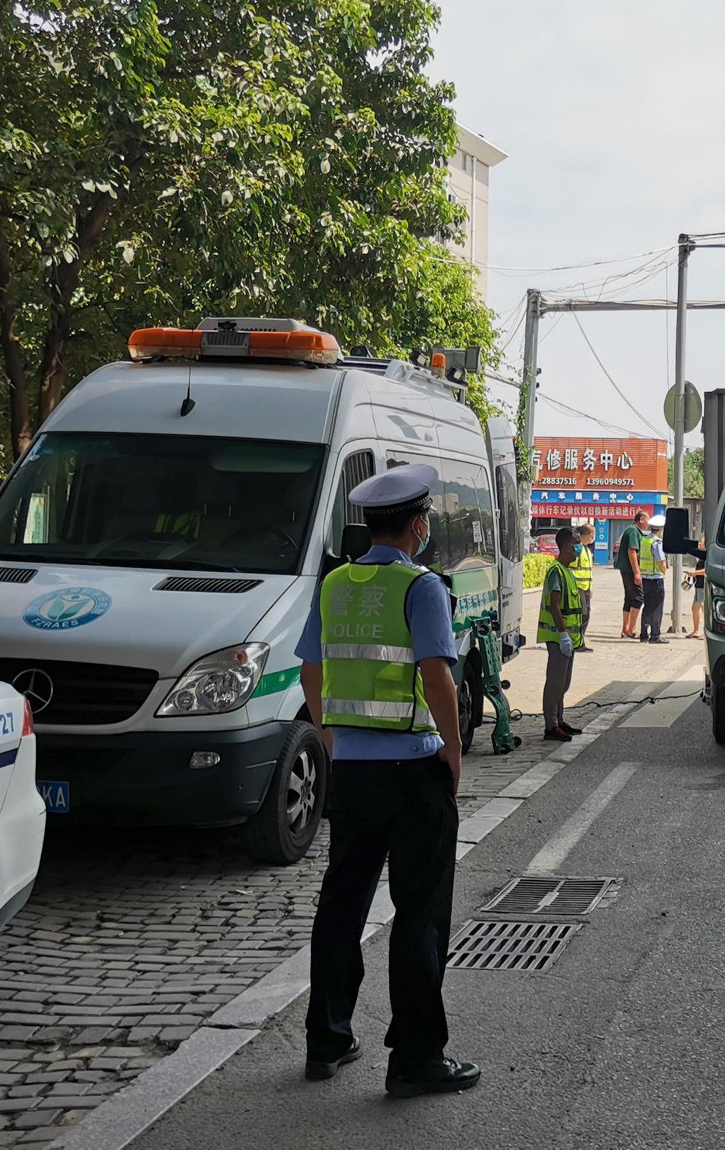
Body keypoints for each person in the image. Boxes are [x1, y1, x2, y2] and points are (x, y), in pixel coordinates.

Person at [297, 464, 480, 1098]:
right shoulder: (420, 586)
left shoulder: (335, 585)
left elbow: (310, 672)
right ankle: (415, 1057)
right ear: (418, 524)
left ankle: (328, 1038)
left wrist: (329, 736)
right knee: (419, 912)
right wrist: (454, 756)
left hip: (351, 771)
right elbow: (438, 679)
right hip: (412, 772)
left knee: (341, 903)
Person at [541, 527, 585, 741]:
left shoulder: (567, 571)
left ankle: (559, 720)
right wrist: (563, 634)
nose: (579, 547)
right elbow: (554, 605)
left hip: (569, 639)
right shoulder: (556, 571)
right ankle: (551, 726)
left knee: (563, 683)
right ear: (565, 546)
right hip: (559, 638)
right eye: (576, 543)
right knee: (555, 683)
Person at [614, 510, 646, 638]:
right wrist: (637, 572)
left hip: (626, 570)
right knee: (639, 597)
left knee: (629, 598)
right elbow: (632, 551)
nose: (648, 524)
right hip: (630, 570)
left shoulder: (632, 530)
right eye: (647, 520)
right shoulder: (633, 531)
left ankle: (625, 629)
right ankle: (632, 630)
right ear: (641, 520)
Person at [637, 521, 667, 642]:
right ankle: (655, 635)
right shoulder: (657, 542)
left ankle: (643, 634)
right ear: (660, 530)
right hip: (656, 579)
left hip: (645, 579)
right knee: (656, 608)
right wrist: (664, 572)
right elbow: (661, 562)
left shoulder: (644, 540)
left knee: (647, 606)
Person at [568, 523, 596, 652]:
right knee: (581, 615)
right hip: (576, 587)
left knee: (586, 615)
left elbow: (588, 571)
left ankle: (579, 641)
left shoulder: (586, 550)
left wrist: (590, 587)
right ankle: (576, 642)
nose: (593, 537)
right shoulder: (577, 549)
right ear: (589, 535)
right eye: (592, 534)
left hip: (585, 588)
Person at [687, 548, 706, 639]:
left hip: (703, 586)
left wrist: (695, 573)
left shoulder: (707, 556)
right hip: (698, 585)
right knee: (695, 608)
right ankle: (696, 631)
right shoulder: (701, 558)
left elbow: (706, 570)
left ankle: (705, 633)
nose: (699, 546)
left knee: (704, 609)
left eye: (701, 544)